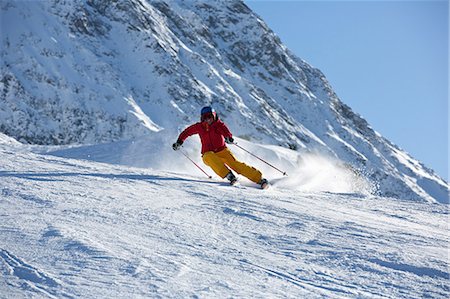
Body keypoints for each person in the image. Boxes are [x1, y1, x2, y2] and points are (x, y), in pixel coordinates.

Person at [172, 106, 269, 189]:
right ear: (202, 118)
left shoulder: (218, 125)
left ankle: (259, 179)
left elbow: (225, 131)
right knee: (208, 156)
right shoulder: (199, 127)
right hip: (207, 154)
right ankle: (229, 176)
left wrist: (228, 138)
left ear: (214, 116)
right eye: (205, 117)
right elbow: (186, 132)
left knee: (236, 165)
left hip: (222, 151)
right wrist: (179, 142)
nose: (208, 119)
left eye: (210, 117)